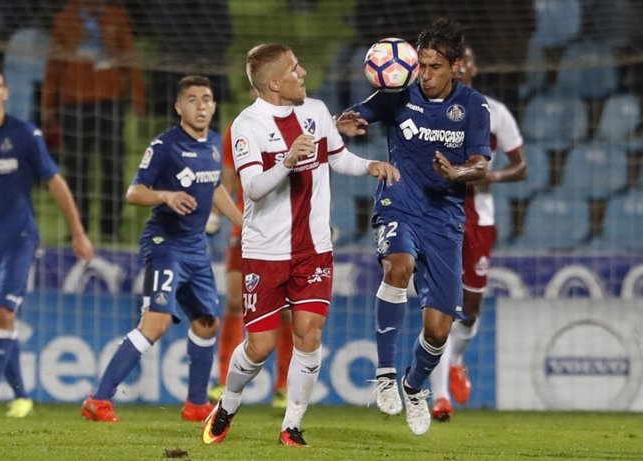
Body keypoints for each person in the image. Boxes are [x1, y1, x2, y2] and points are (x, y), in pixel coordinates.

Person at [201, 43, 399, 447]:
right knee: (260, 347)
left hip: (314, 248)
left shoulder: (316, 111)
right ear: (274, 83)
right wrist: (287, 161)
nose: (303, 72)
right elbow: (253, 189)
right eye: (294, 69)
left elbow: (338, 158)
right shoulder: (247, 125)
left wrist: (369, 167)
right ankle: (229, 401)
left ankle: (291, 425)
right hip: (264, 252)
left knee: (309, 334)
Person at [337, 18, 491, 436]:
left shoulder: (473, 107)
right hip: (399, 203)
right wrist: (343, 124)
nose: (424, 75)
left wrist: (459, 172)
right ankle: (385, 373)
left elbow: (480, 164)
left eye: (434, 67)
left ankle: (414, 385)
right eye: (420, 65)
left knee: (439, 329)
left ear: (455, 66)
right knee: (397, 267)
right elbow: (353, 117)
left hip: (445, 218)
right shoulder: (397, 93)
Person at [81, 75, 242, 423]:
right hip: (165, 244)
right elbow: (133, 192)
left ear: (214, 105)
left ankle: (196, 404)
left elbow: (214, 188)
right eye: (193, 99)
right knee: (154, 325)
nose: (201, 106)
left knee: (206, 323)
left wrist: (242, 221)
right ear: (179, 107)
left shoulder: (215, 143)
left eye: (207, 99)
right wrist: (165, 195)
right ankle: (99, 399)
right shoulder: (165, 145)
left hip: (196, 247)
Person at [0, 66, 95, 418]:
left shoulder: (25, 135)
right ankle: (22, 396)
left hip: (18, 239)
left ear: (6, 93)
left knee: (2, 312)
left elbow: (55, 182)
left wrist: (78, 232)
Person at [429, 46, 527, 421]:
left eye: (468, 60)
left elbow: (521, 167)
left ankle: (455, 359)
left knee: (469, 309)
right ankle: (440, 398)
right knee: (440, 305)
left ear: (474, 67)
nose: (463, 66)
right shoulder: (431, 108)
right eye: (456, 61)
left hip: (479, 218)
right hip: (439, 213)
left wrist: (492, 176)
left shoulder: (496, 112)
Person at [206, 114, 293, 410]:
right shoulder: (239, 126)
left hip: (286, 227)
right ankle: (221, 380)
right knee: (234, 301)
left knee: (286, 310)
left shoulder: (302, 123)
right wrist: (217, 215)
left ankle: (283, 386)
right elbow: (229, 176)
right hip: (246, 225)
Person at [41, 0, 147, 241]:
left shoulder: (117, 16)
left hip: (110, 100)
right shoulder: (65, 17)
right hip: (72, 102)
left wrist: (138, 96)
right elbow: (53, 65)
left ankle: (111, 228)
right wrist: (49, 104)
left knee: (113, 165)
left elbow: (130, 56)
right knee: (76, 167)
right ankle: (78, 228)